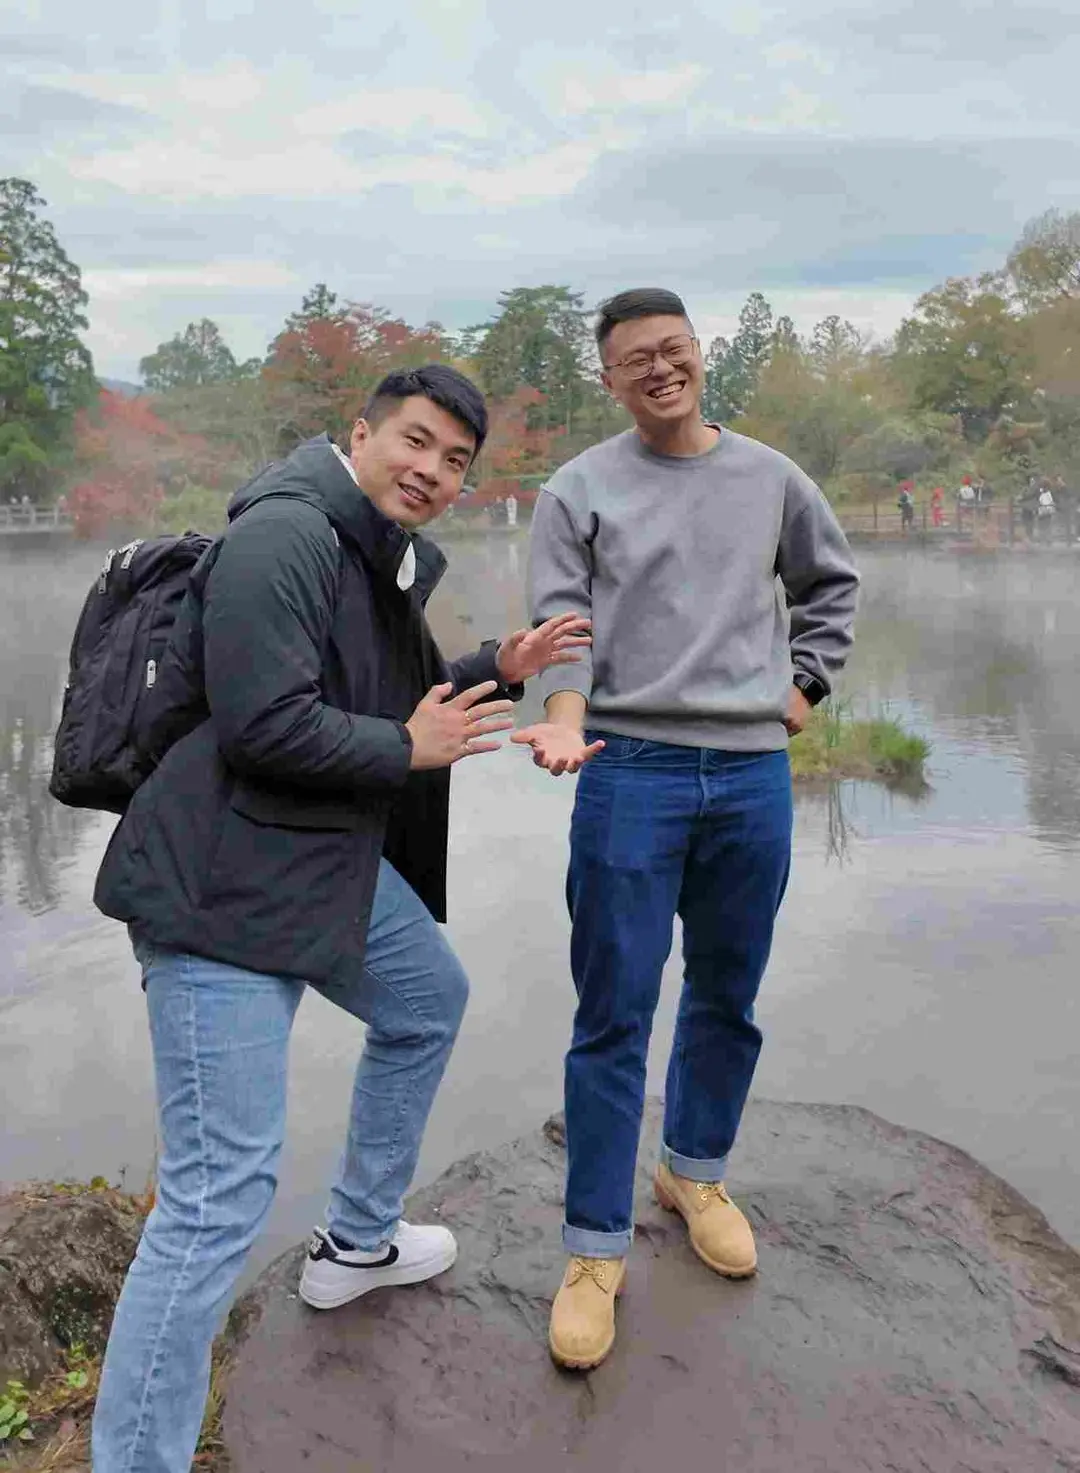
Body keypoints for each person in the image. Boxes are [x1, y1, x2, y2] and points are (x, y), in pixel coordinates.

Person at [89, 365, 590, 1471]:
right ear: (359, 434)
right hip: (218, 888)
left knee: (426, 999)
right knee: (217, 1200)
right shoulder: (285, 534)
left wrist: (492, 670)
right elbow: (264, 722)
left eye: (454, 460)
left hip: (308, 859)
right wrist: (406, 748)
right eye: (415, 441)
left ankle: (359, 1242)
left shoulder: (369, 551)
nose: (431, 471)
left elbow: (367, 697)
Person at [517, 289, 859, 1370]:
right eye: (637, 360)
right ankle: (593, 1247)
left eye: (674, 350)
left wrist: (801, 690)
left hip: (752, 774)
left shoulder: (771, 478)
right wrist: (565, 719)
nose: (660, 369)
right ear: (610, 379)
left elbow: (831, 586)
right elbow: (562, 628)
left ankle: (694, 1170)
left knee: (727, 990)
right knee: (613, 1010)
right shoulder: (579, 488)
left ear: (699, 355)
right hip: (631, 771)